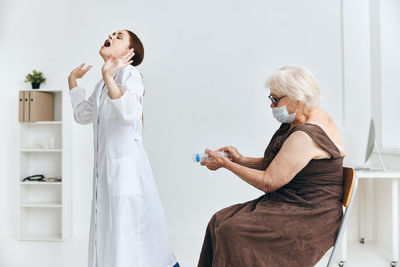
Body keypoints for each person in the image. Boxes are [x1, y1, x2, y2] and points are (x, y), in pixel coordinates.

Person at [198, 66, 346, 267]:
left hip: (310, 215)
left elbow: (269, 182)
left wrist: (225, 164)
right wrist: (241, 159)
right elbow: (283, 164)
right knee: (219, 220)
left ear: (298, 99)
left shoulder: (306, 135)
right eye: (271, 99)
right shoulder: (301, 117)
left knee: (232, 231)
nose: (272, 106)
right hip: (289, 202)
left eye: (276, 100)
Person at [68, 29, 178, 267]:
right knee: (111, 237)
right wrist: (73, 81)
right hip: (107, 176)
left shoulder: (130, 74)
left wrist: (109, 77)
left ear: (130, 52)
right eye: (112, 33)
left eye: (119, 36)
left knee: (130, 239)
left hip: (126, 173)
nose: (110, 35)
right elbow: (81, 115)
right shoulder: (101, 83)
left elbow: (129, 113)